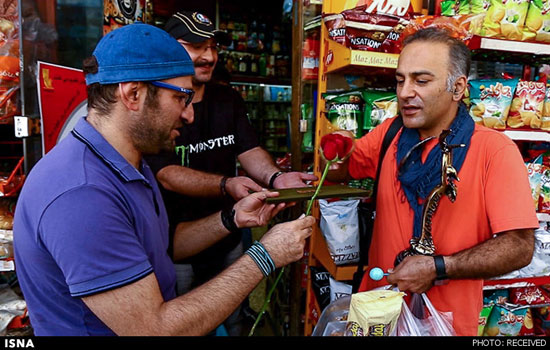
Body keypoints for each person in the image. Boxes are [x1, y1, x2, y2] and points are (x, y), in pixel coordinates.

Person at [13, 23, 315, 336]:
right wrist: (264, 257)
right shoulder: (82, 194)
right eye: (182, 98)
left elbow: (164, 248)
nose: (189, 115)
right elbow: (155, 329)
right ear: (133, 94)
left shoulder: (129, 164)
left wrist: (232, 217)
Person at [323, 27, 537, 336]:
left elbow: (519, 247)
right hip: (375, 315)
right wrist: (334, 148)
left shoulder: (495, 151)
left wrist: (438, 267)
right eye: (400, 80)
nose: (405, 92)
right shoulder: (389, 135)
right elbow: (341, 170)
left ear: (458, 88)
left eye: (421, 81)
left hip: (447, 322)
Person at [144, 11, 317, 335]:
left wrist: (275, 178)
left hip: (231, 231)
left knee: (235, 317)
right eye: (195, 46)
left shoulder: (227, 98)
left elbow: (248, 150)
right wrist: (227, 184)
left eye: (212, 46)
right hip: (178, 242)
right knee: (183, 321)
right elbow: (165, 173)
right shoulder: (156, 105)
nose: (208, 56)